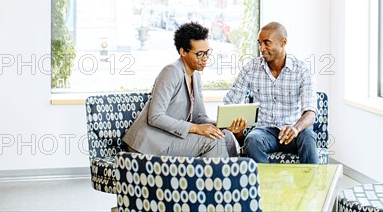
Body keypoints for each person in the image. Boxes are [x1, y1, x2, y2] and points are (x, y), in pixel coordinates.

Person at [123, 21, 246, 157]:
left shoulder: (195, 76)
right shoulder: (171, 72)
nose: (205, 59)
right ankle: (219, 178)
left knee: (226, 135)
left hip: (170, 138)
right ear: (183, 52)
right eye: (199, 54)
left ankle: (237, 176)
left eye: (207, 53)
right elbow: (155, 116)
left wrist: (222, 125)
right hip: (150, 143)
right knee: (213, 142)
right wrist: (195, 128)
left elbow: (200, 118)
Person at [223, 22, 318, 163]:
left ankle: (310, 184)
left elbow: (310, 112)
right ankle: (266, 184)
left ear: (283, 42)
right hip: (264, 132)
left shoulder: (301, 70)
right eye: (259, 43)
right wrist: (233, 123)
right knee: (252, 140)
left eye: (267, 43)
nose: (262, 48)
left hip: (292, 130)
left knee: (308, 137)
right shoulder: (251, 68)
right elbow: (229, 103)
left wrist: (296, 129)